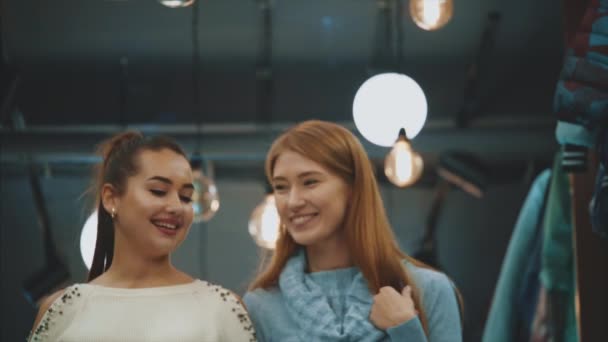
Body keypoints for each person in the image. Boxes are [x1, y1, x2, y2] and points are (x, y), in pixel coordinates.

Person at [244, 120, 462, 341]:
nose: (292, 201)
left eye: (310, 182)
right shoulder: (261, 306)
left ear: (353, 189)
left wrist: (405, 329)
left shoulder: (429, 290)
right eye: (281, 187)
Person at [28, 131, 256, 342]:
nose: (177, 206)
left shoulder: (221, 310)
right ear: (111, 198)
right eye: (158, 191)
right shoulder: (63, 311)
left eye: (186, 197)